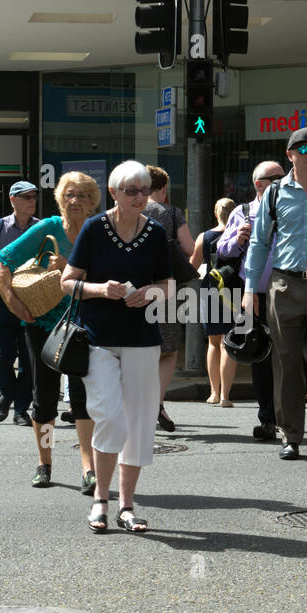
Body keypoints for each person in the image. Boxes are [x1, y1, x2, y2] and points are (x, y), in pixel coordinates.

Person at [62, 161, 172, 533]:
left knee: (141, 422)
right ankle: (100, 499)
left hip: (143, 340)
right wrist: (99, 289)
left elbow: (170, 285)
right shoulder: (94, 229)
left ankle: (126, 506)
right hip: (98, 340)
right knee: (109, 415)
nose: (140, 197)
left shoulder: (155, 232)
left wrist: (150, 293)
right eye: (131, 191)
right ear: (114, 193)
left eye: (144, 190)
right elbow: (67, 282)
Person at [242, 128, 307, 459]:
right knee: (286, 363)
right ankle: (291, 435)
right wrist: (249, 288)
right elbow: (259, 243)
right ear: (290, 155)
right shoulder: (275, 193)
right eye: (303, 149)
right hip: (283, 285)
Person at [0, 172, 99, 490]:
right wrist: (13, 302)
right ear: (60, 200)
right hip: (42, 325)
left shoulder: (98, 232)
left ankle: (88, 468)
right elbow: (2, 260)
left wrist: (69, 266)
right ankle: (44, 462)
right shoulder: (48, 228)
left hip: (86, 325)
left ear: (93, 201)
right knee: (44, 399)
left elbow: (112, 278)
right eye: (69, 194)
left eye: (82, 195)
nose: (75, 201)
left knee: (83, 399)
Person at [216, 161, 284, 441]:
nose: (283, 181)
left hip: (288, 291)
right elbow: (221, 249)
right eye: (276, 178)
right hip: (251, 293)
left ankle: (294, 417)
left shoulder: (292, 209)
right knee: (260, 357)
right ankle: (268, 419)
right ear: (259, 184)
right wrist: (238, 240)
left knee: (292, 355)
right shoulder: (242, 212)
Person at [0, 181, 41, 425]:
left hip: (31, 301)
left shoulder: (39, 227)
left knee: (27, 359)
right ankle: (6, 394)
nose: (32, 201)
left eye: (34, 197)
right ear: (13, 200)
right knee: (3, 356)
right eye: (27, 197)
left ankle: (20, 410)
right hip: (2, 300)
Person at [143, 165, 195, 432]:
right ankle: (157, 403)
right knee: (168, 350)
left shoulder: (132, 211)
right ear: (163, 189)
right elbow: (190, 248)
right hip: (166, 289)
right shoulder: (172, 213)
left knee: (140, 349)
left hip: (136, 288)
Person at [190, 196, 238, 405]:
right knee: (230, 342)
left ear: (216, 213)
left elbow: (193, 265)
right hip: (234, 289)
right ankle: (226, 396)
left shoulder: (205, 236)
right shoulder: (240, 234)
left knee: (213, 342)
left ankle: (214, 393)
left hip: (210, 288)